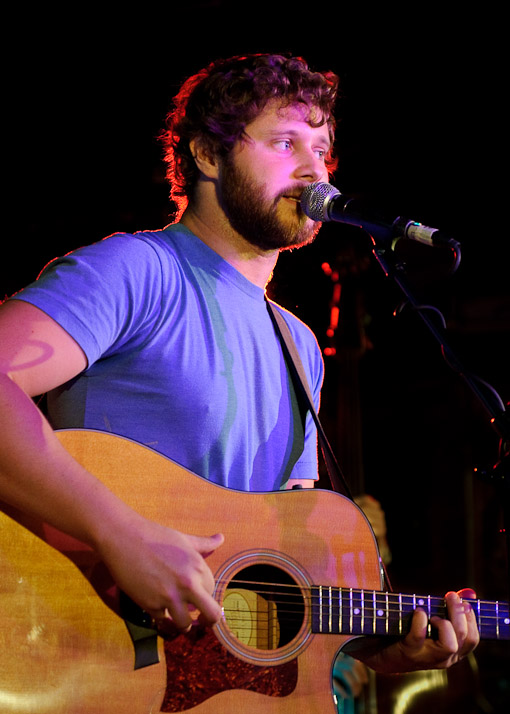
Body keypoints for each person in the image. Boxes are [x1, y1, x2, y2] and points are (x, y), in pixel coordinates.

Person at [0, 53, 478, 683]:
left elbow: (276, 575)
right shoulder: (136, 273)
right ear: (206, 155)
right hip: (76, 652)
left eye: (323, 150)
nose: (315, 172)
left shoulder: (299, 345)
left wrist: (377, 651)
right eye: (286, 142)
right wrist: (121, 535)